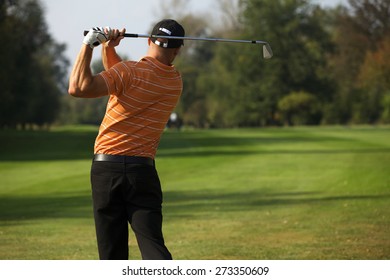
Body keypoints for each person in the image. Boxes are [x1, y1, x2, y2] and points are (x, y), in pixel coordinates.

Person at [68, 19, 185, 260]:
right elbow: (123, 82)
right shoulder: (174, 82)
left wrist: (89, 45)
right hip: (141, 172)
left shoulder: (129, 72)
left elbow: (78, 88)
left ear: (149, 41)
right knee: (153, 246)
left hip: (106, 169)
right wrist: (109, 48)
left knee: (112, 255)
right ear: (177, 50)